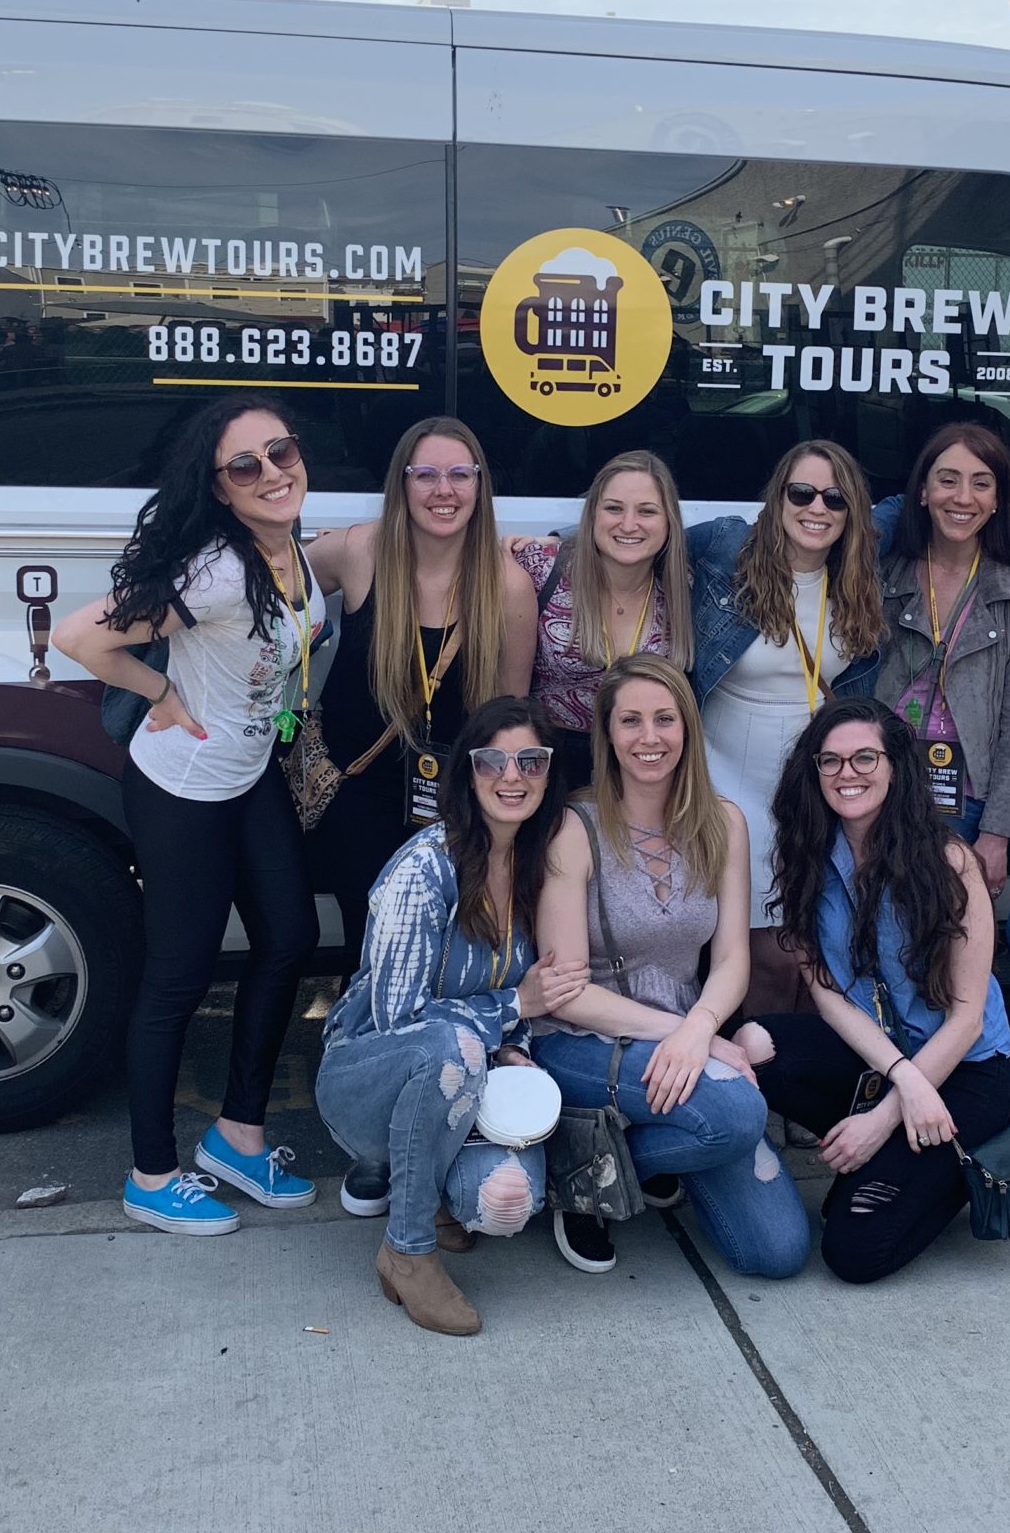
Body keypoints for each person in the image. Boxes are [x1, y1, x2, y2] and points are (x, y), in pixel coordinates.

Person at [54, 395, 326, 1235]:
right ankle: (151, 1174)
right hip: (183, 788)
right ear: (219, 489)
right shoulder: (216, 571)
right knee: (176, 976)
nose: (272, 473)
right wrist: (159, 690)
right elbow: (79, 637)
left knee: (289, 937)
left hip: (247, 776)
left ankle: (237, 1136)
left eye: (280, 452)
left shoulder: (291, 553)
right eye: (247, 466)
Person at [533, 655, 812, 1280]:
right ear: (607, 734)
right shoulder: (573, 828)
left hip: (684, 1042)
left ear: (688, 727)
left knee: (778, 1251)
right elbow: (567, 994)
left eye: (664, 719)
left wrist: (698, 1027)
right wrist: (695, 1037)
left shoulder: (724, 824)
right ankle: (582, 1173)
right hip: (583, 1041)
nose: (649, 737)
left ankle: (616, 1155)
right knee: (738, 1113)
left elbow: (733, 960)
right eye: (630, 721)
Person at [317, 698, 589, 1336]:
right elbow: (396, 1018)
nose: (511, 775)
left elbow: (530, 998)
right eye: (492, 760)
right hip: (368, 1082)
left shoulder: (530, 864)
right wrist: (513, 1010)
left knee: (506, 1204)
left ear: (550, 774)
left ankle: (440, 1194)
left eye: (531, 761)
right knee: (450, 1046)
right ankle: (407, 1251)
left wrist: (515, 1041)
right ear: (468, 772)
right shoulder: (424, 867)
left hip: (468, 1079)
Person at [749, 700, 1010, 1285]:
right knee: (751, 1045)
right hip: (883, 1059)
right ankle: (893, 1158)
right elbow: (828, 995)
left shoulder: (950, 863)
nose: (847, 773)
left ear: (896, 765)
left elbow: (968, 1018)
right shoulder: (810, 857)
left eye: (865, 757)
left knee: (853, 1251)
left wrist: (888, 1115)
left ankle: (960, 1172)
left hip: (965, 1073)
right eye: (831, 761)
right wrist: (901, 1081)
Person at [303, 416, 537, 968]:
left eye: (460, 474)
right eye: (425, 474)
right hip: (355, 794)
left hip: (453, 808)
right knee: (368, 951)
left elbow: (509, 718)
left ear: (480, 485)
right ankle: (360, 1051)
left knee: (435, 956)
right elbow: (267, 583)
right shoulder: (360, 551)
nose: (443, 491)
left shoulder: (507, 586)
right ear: (401, 483)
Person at [688, 441, 884, 1011]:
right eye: (801, 493)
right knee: (760, 946)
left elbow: (920, 511)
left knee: (813, 938)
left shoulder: (858, 574)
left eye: (835, 498)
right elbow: (644, 544)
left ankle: (808, 1071)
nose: (817, 508)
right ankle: (763, 1077)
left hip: (812, 778)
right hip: (726, 771)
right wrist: (551, 546)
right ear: (777, 499)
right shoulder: (727, 546)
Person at [871, 424, 1010, 891]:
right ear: (923, 491)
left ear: (998, 499)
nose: (963, 497)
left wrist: (997, 833)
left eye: (981, 483)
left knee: (951, 946)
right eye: (947, 479)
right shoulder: (883, 570)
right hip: (877, 786)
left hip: (966, 799)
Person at [510, 452, 694, 795]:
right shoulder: (540, 570)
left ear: (669, 520)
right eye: (613, 508)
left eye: (647, 511)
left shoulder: (684, 588)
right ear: (592, 513)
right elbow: (506, 703)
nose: (628, 524)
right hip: (551, 761)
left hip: (644, 761)